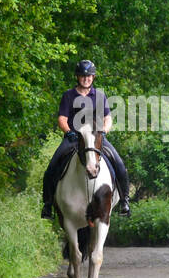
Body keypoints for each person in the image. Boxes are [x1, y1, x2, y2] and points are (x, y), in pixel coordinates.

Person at [41, 59, 131, 219]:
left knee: (119, 164)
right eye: (83, 76)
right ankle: (48, 204)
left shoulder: (100, 95)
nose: (86, 78)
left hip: (96, 139)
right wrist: (68, 131)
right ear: (77, 77)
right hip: (74, 138)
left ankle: (125, 200)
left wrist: (103, 131)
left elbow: (107, 118)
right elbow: (62, 118)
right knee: (52, 166)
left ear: (93, 77)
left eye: (89, 76)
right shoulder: (68, 95)